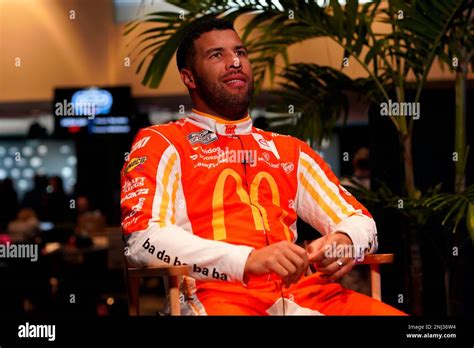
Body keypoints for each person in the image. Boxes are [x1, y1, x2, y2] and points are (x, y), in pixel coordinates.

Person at [121, 18, 405, 315]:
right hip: (214, 295)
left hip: (303, 292)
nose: (234, 62)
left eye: (240, 52)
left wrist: (344, 240)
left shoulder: (289, 149)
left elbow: (361, 221)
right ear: (189, 77)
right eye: (216, 55)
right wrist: (246, 261)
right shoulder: (162, 142)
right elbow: (142, 240)